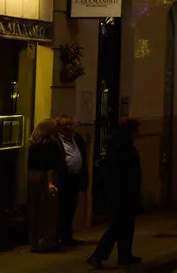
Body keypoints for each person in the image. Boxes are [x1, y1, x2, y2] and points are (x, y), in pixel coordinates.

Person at [87, 119, 142, 270]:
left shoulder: (123, 143)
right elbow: (119, 170)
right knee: (118, 226)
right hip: (121, 192)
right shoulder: (120, 145)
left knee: (127, 225)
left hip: (126, 191)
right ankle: (98, 255)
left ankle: (125, 255)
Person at [27, 119, 61, 252]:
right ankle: (46, 241)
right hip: (44, 176)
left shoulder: (33, 142)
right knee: (47, 210)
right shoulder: (49, 143)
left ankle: (34, 241)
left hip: (33, 176)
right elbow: (53, 163)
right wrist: (52, 181)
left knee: (35, 210)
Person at [54, 116, 88, 247]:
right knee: (61, 208)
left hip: (75, 177)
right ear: (59, 127)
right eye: (65, 125)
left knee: (71, 207)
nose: (68, 127)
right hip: (63, 178)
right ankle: (59, 236)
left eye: (70, 124)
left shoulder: (76, 138)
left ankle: (68, 236)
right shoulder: (56, 140)